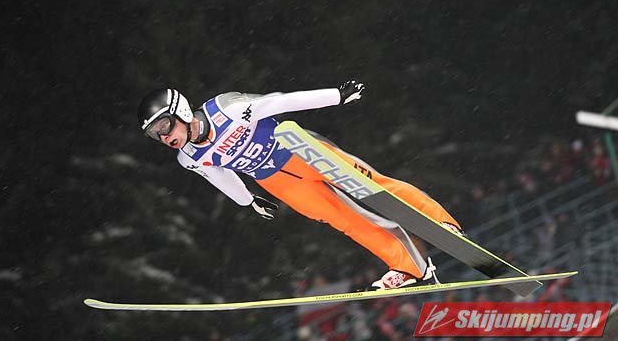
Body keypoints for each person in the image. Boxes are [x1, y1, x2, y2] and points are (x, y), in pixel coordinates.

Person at [137, 81, 464, 289]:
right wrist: (248, 200)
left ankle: (441, 223)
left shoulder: (228, 109)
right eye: (155, 134)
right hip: (277, 181)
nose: (164, 137)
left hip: (299, 151)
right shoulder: (189, 157)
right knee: (343, 219)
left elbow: (281, 102)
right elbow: (220, 175)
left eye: (164, 126)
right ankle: (409, 267)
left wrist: (336, 96)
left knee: (371, 186)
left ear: (180, 110)